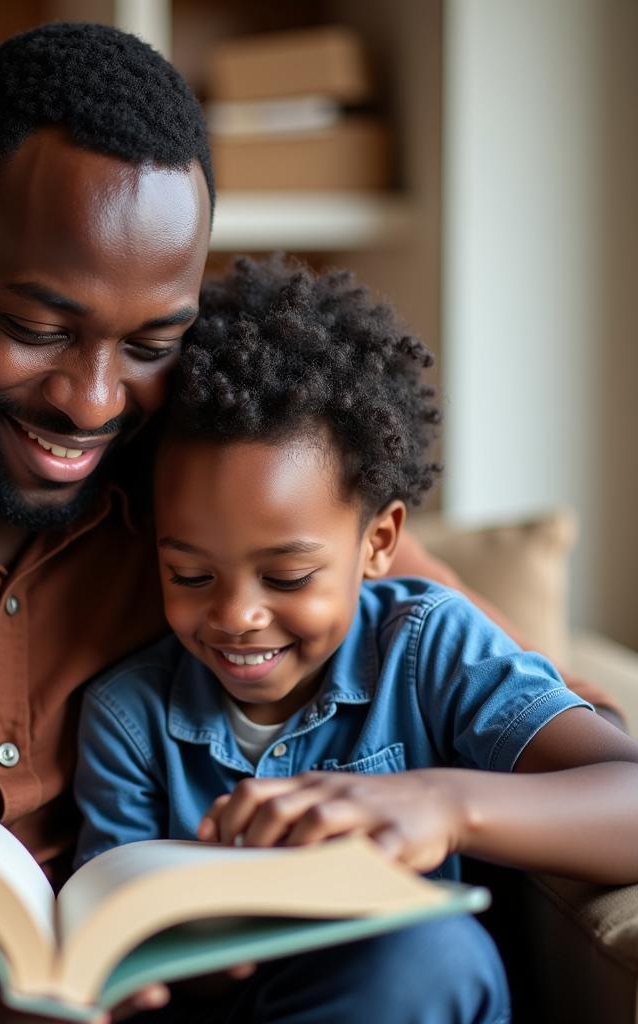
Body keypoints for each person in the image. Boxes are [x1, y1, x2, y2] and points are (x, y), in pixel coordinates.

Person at [0, 22, 622, 1024]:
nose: (93, 402)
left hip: (143, 993)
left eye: (150, 341)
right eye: (37, 328)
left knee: (418, 958)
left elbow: (558, 723)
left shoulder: (198, 471)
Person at [73, 256, 638, 1024]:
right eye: (192, 576)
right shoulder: (128, 716)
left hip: (399, 992)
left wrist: (445, 803)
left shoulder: (428, 647)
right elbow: (114, 944)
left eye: (287, 577)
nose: (236, 616)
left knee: (431, 951)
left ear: (380, 542)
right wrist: (205, 944)